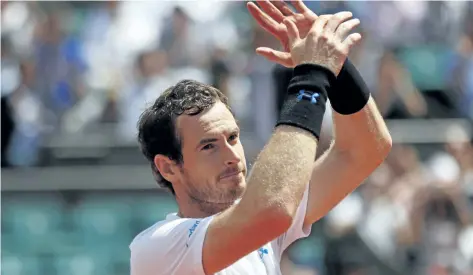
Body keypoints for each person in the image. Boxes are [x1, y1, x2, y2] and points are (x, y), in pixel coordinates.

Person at [130, 1, 392, 275]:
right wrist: (312, 72)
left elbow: (365, 150)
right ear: (168, 166)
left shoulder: (259, 225)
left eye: (232, 137)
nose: (232, 156)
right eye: (209, 146)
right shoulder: (157, 247)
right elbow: (271, 209)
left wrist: (333, 63)